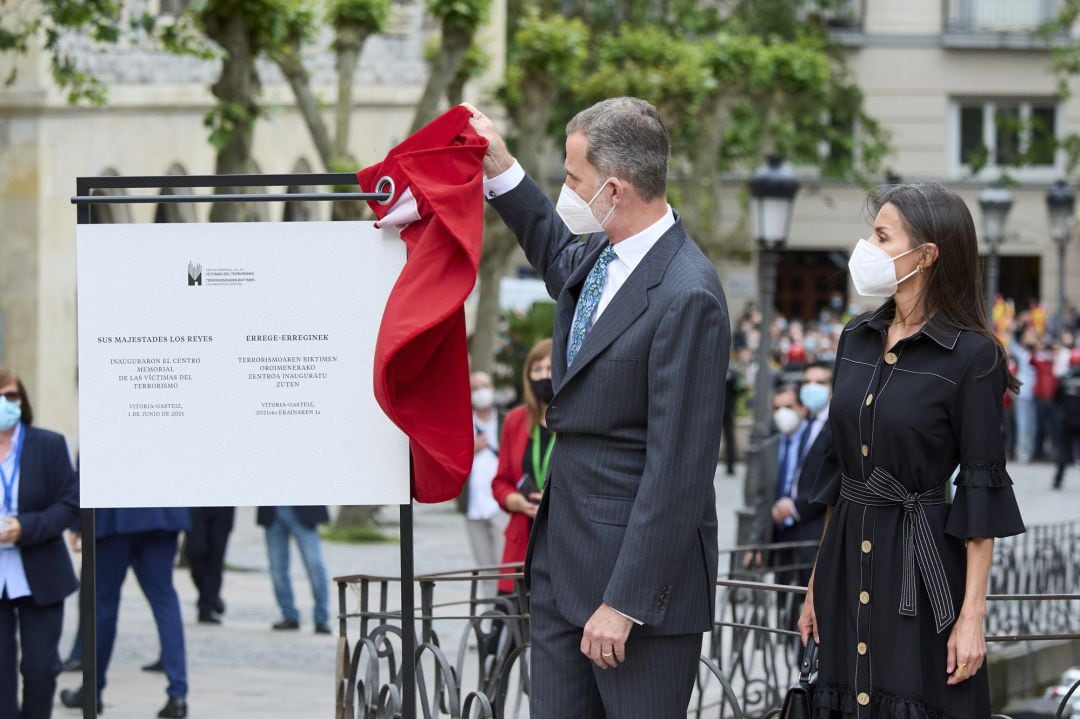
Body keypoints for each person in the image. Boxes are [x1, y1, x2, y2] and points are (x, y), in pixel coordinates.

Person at [468, 97, 730, 717]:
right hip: (561, 568)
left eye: (573, 178)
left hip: (633, 593)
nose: (567, 189)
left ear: (614, 189)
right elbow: (555, 254)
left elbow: (680, 470)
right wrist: (501, 169)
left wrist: (626, 602)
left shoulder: (689, 293)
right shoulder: (601, 253)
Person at [798, 183, 1026, 717]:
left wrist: (971, 617)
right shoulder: (854, 337)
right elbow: (839, 469)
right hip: (843, 562)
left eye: (882, 236)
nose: (867, 247)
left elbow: (980, 488)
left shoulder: (974, 356)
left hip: (920, 572)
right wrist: (815, 582)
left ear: (925, 256)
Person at [0, 366, 79, 719]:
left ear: (23, 399)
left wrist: (25, 527)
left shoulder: (48, 445)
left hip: (41, 570)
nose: (4, 403)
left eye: (11, 395)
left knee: (40, 668)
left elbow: (68, 502)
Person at [60, 507, 191, 718]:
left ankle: (92, 690)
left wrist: (78, 522)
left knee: (103, 603)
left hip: (113, 515)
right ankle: (178, 695)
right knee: (164, 599)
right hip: (161, 513)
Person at [491, 339, 554, 596]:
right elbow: (500, 482)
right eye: (536, 370)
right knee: (509, 628)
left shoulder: (576, 418)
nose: (543, 376)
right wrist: (514, 501)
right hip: (522, 538)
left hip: (560, 539)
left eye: (550, 369)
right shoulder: (516, 420)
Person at [463, 372, 506, 598]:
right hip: (474, 508)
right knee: (486, 572)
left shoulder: (506, 420)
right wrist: (472, 448)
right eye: (475, 388)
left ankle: (508, 622)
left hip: (502, 507)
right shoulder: (462, 423)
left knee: (505, 570)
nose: (481, 392)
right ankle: (490, 625)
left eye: (485, 386)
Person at [257, 506, 331, 633]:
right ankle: (289, 616)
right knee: (277, 569)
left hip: (302, 510)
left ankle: (321, 618)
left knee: (315, 564)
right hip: (272, 511)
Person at [186, 506, 235, 624]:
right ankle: (211, 598)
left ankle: (206, 608)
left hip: (223, 508)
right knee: (194, 551)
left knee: (215, 559)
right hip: (196, 506)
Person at [1052, 348, 1080, 490]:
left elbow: (1056, 399)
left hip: (1067, 419)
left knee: (1063, 451)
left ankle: (1057, 481)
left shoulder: (1064, 379)